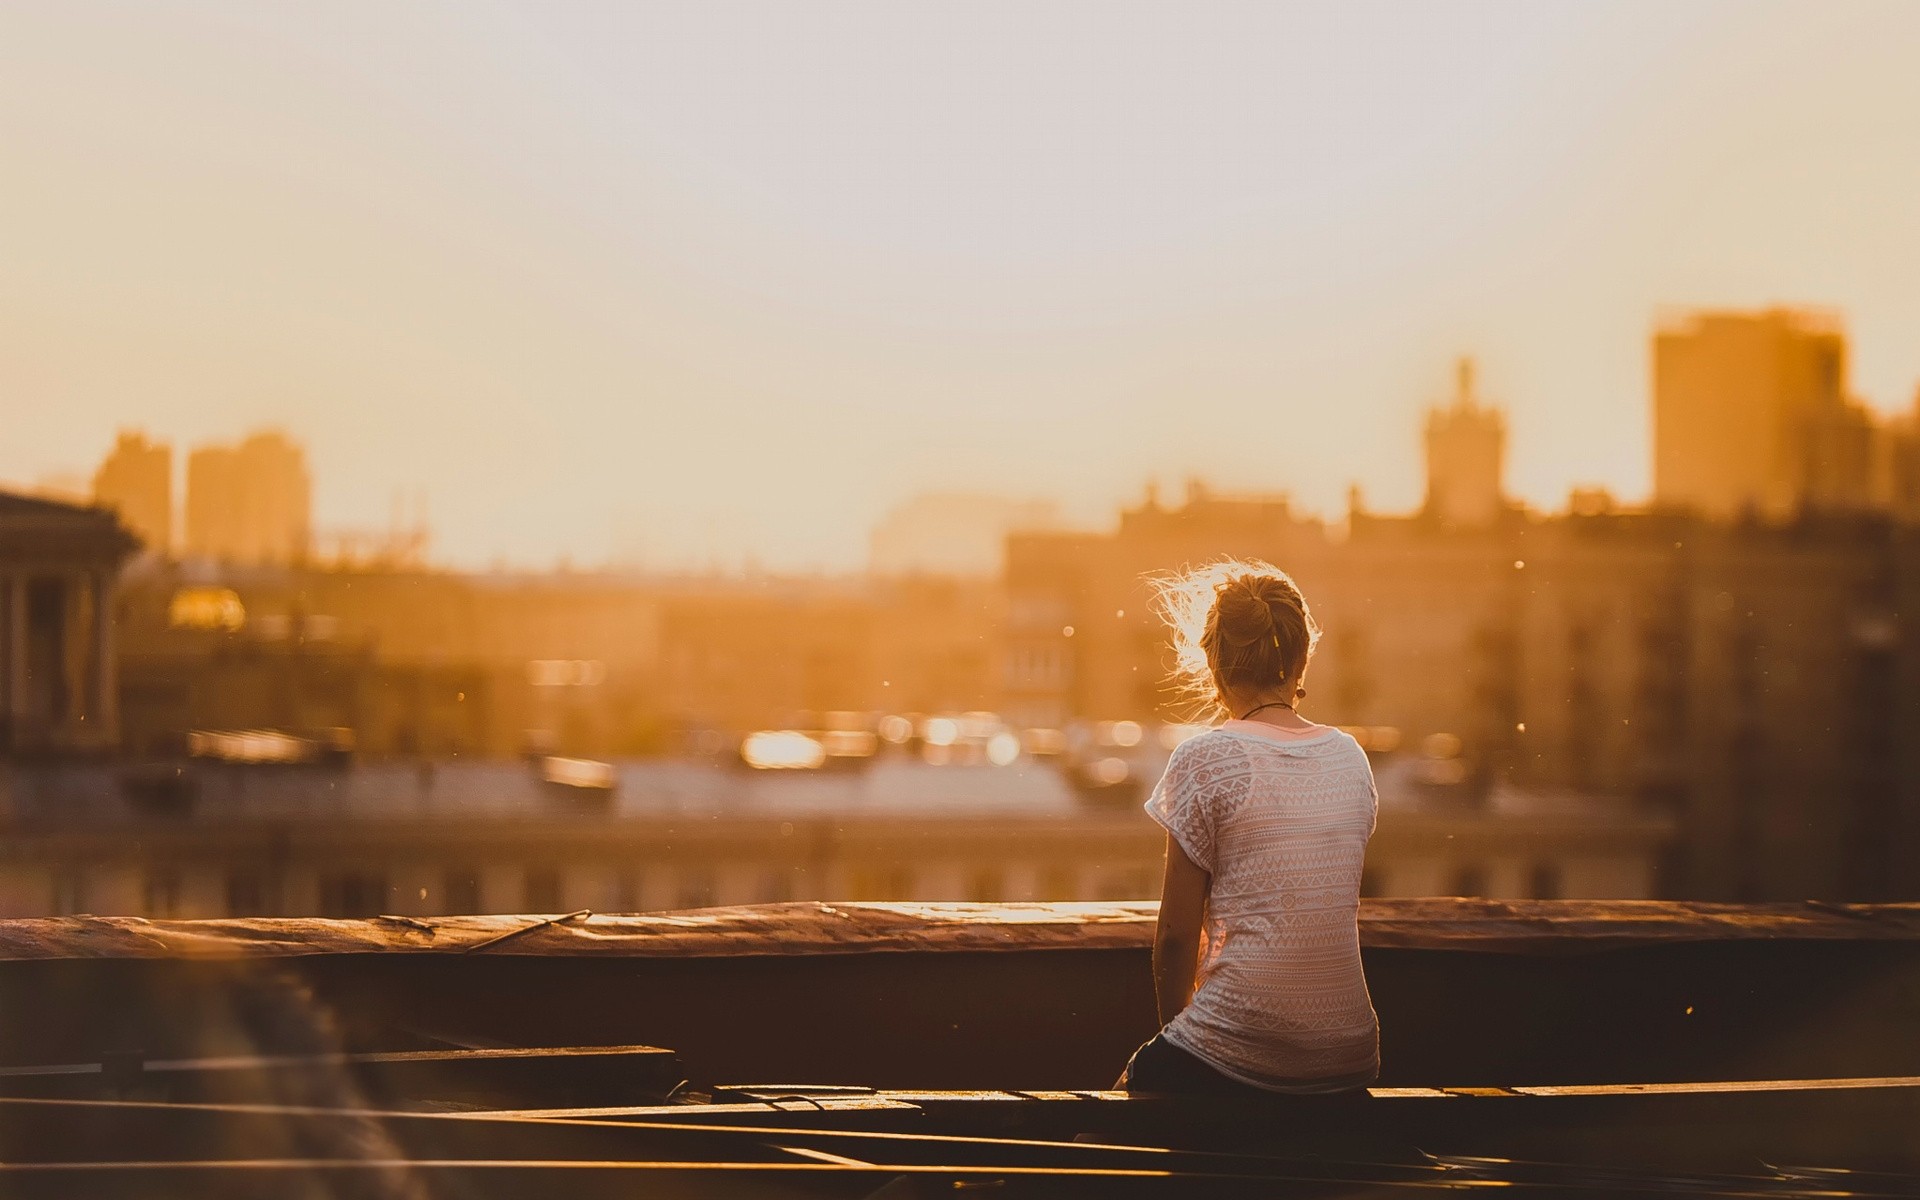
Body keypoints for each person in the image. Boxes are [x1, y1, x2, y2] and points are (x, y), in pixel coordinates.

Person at [1117, 560, 1379, 1096]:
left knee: (1094, 1137)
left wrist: (1176, 1035)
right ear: (1300, 661)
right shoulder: (1349, 757)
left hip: (1245, 1044)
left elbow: (1174, 939)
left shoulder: (1207, 759)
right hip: (1351, 1052)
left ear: (1214, 663)